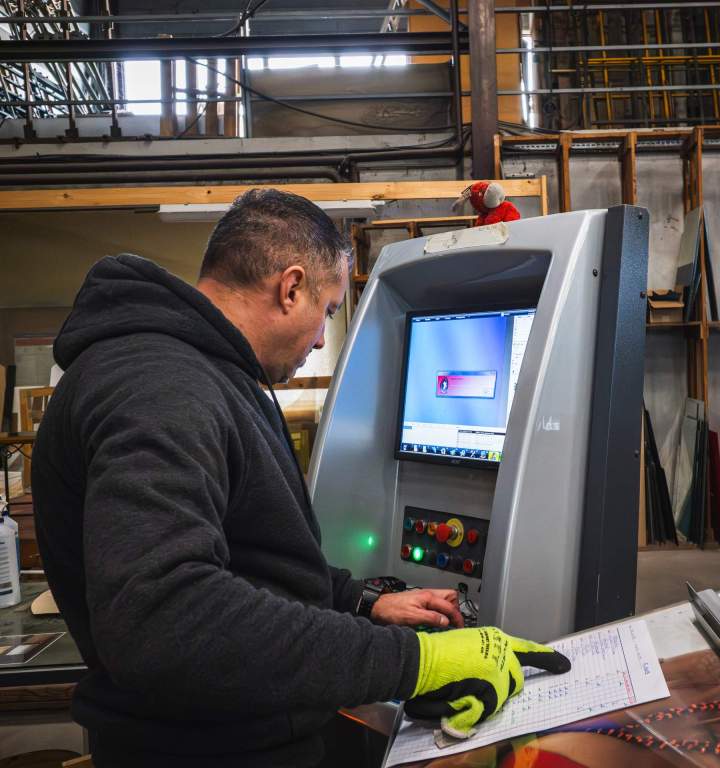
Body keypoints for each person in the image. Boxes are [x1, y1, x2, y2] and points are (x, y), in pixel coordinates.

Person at [32, 189, 569, 768]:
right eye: (329, 311)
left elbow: (248, 552)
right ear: (290, 288)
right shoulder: (165, 387)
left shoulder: (202, 372)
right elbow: (165, 620)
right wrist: (415, 662)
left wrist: (362, 601)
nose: (319, 339)